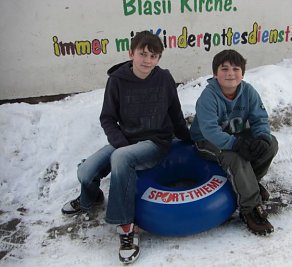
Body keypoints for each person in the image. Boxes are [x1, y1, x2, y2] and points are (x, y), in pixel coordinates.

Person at [61, 30, 191, 264]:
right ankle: (91, 197)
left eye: (153, 56)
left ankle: (127, 229)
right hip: (125, 139)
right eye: (142, 54)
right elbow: (107, 119)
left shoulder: (164, 79)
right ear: (131, 53)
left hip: (155, 143)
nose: (147, 60)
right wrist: (120, 143)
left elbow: (175, 113)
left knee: (121, 159)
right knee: (85, 171)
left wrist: (189, 139)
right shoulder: (117, 81)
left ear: (159, 59)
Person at [189, 49, 278, 236]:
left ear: (242, 73)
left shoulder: (248, 91)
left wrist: (262, 137)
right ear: (215, 73)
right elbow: (210, 131)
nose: (230, 73)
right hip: (206, 141)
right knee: (235, 157)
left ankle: (251, 182)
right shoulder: (208, 96)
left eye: (236, 68)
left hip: (235, 135)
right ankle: (250, 210)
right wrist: (235, 144)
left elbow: (259, 118)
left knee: (270, 144)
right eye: (224, 69)